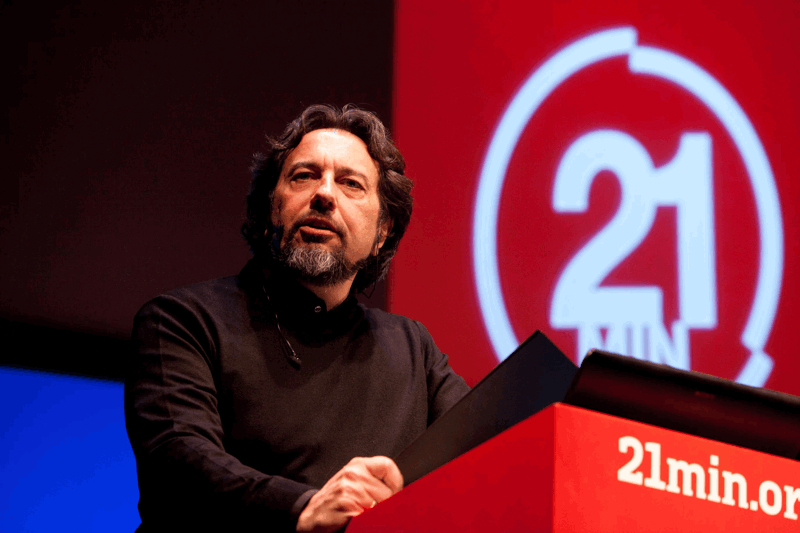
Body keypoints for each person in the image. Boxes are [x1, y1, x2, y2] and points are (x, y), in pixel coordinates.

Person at [125, 104, 470, 532]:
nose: (324, 194)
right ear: (272, 207)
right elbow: (177, 458)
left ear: (382, 232)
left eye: (351, 183)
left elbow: (488, 446)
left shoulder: (413, 349)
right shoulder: (183, 321)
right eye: (304, 176)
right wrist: (302, 508)